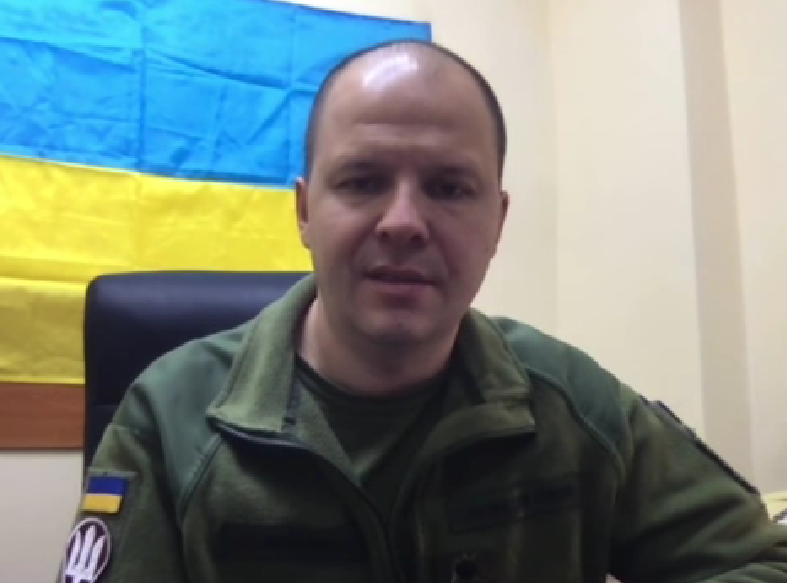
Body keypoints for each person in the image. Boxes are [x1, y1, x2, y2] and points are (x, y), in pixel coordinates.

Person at [58, 39, 787, 583]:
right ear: (305, 211)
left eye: (448, 187)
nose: (403, 222)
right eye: (363, 180)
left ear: (497, 221)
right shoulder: (168, 416)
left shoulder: (573, 406)